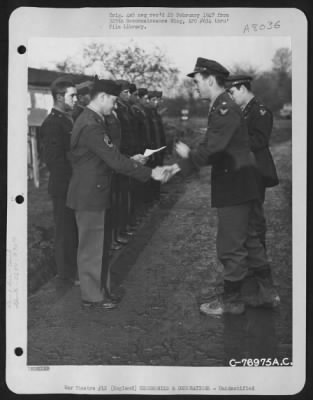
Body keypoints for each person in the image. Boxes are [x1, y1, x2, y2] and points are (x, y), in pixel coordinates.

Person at [166, 57, 280, 315]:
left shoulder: (224, 108)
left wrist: (183, 161)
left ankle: (232, 302)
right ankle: (267, 294)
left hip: (235, 185)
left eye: (196, 81)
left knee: (231, 246)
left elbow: (213, 148)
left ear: (209, 79)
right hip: (245, 183)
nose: (195, 87)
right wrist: (177, 166)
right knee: (250, 242)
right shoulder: (223, 106)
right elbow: (212, 143)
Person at [66, 77, 166, 310]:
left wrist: (130, 161)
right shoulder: (91, 124)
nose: (115, 104)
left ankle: (100, 290)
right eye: (112, 99)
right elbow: (111, 158)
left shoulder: (94, 120)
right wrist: (150, 173)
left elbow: (106, 157)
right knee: (92, 247)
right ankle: (93, 296)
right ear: (102, 97)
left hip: (95, 191)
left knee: (98, 245)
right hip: (90, 194)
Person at [226, 75, 279, 248]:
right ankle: (251, 257)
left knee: (254, 217)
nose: (231, 97)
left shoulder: (260, 111)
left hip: (255, 171)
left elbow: (260, 141)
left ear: (242, 88)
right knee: (244, 216)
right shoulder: (244, 111)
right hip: (244, 170)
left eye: (232, 92)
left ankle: (260, 261)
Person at [40, 77, 78, 283]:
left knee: (72, 229)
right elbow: (55, 161)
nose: (76, 99)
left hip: (71, 184)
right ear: (60, 97)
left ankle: (72, 271)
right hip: (63, 186)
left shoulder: (65, 119)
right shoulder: (53, 123)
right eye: (72, 95)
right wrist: (73, 181)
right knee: (64, 231)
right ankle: (65, 275)